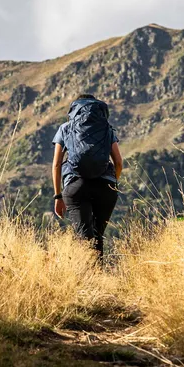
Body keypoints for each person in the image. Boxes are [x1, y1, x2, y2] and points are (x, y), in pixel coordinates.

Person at [52, 94, 123, 261]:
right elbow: (118, 162)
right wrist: (113, 183)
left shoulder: (65, 128)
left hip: (76, 186)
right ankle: (99, 278)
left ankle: (88, 280)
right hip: (106, 186)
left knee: (83, 238)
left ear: (74, 110)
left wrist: (58, 196)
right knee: (98, 235)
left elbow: (56, 165)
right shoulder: (107, 128)